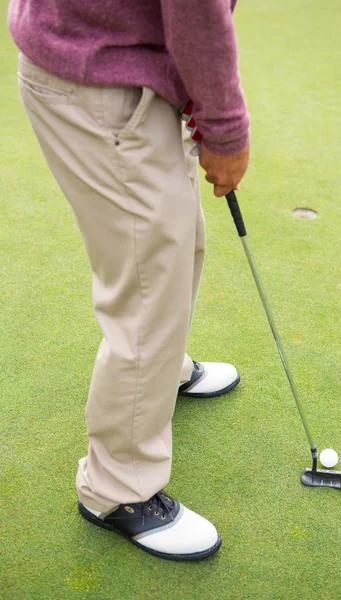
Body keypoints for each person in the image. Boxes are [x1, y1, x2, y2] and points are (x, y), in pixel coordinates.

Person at [8, 0, 250, 561]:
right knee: (147, 285)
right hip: (100, 79)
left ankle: (163, 373)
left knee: (175, 241)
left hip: (110, 59)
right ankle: (117, 492)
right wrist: (226, 127)